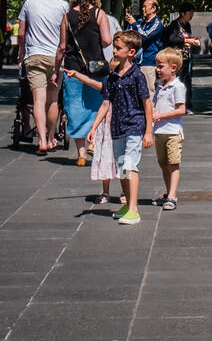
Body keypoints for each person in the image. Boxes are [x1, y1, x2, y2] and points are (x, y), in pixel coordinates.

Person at [85, 30, 152, 225]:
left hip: (134, 125)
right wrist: (94, 128)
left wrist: (148, 131)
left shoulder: (137, 75)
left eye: (118, 48)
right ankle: (127, 204)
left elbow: (147, 103)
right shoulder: (112, 78)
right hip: (117, 127)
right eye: (114, 47)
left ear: (131, 52)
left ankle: (134, 209)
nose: (114, 51)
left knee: (130, 165)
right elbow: (106, 104)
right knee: (122, 167)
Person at [56, 0, 112, 167]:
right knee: (96, 107)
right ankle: (93, 142)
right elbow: (106, 40)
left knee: (75, 109)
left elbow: (62, 47)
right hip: (95, 67)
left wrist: (56, 70)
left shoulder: (67, 16)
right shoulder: (99, 14)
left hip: (72, 68)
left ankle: (80, 154)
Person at [17, 0, 70, 153]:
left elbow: (22, 32)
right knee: (53, 100)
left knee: (38, 100)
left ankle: (41, 140)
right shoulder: (64, 6)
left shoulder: (29, 3)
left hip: (34, 55)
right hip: (55, 56)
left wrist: (21, 53)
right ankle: (51, 137)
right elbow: (66, 34)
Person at [65, 56, 121, 206]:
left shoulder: (130, 82)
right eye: (111, 72)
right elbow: (94, 84)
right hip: (108, 126)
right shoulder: (109, 84)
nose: (113, 75)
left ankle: (125, 191)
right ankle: (106, 191)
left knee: (123, 160)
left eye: (117, 71)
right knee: (105, 158)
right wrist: (77, 75)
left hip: (123, 126)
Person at [151, 48, 187, 211]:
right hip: (160, 131)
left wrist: (160, 115)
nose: (157, 70)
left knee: (173, 164)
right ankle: (168, 192)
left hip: (172, 131)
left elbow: (181, 110)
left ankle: (172, 196)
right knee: (163, 164)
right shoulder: (160, 86)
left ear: (173, 68)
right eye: (157, 66)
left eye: (161, 66)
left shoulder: (177, 86)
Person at [162, 5, 199, 108]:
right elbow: (170, 39)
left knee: (187, 81)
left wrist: (191, 41)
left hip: (186, 56)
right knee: (177, 80)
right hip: (176, 57)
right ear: (183, 13)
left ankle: (186, 104)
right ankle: (175, 103)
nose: (191, 16)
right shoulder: (175, 24)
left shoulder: (187, 25)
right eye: (190, 13)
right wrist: (186, 40)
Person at [124, 0, 163, 94]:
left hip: (148, 62)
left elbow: (145, 37)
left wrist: (134, 24)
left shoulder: (157, 24)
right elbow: (130, 37)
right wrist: (130, 24)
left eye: (145, 7)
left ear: (153, 8)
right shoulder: (141, 22)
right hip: (135, 62)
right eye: (142, 7)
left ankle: (151, 109)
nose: (143, 9)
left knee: (148, 91)